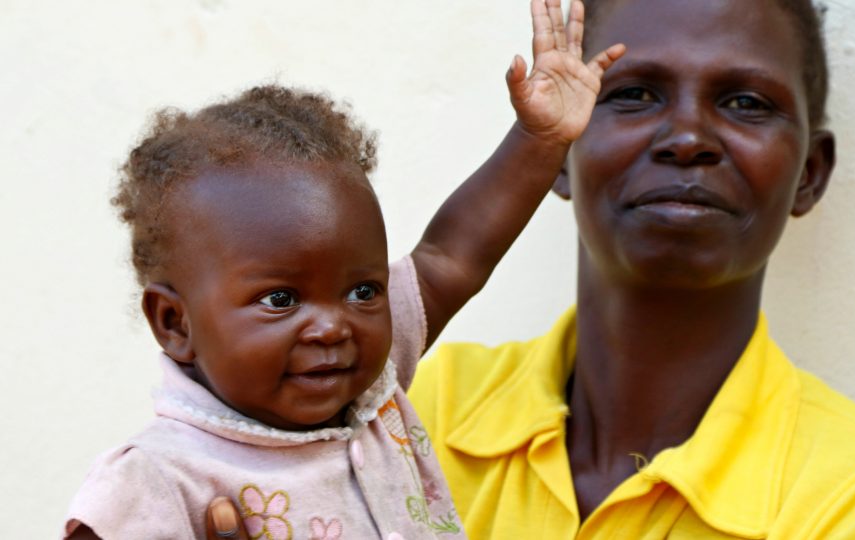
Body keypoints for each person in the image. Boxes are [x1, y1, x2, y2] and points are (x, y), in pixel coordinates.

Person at [204, 0, 855, 538]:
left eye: (744, 102)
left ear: (809, 174)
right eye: (631, 94)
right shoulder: (414, 407)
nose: (688, 137)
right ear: (556, 152)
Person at [62, 1, 624, 538]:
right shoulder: (154, 481)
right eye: (281, 300)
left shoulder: (371, 389)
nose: (333, 326)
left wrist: (541, 137)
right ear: (174, 323)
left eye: (362, 290)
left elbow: (452, 256)